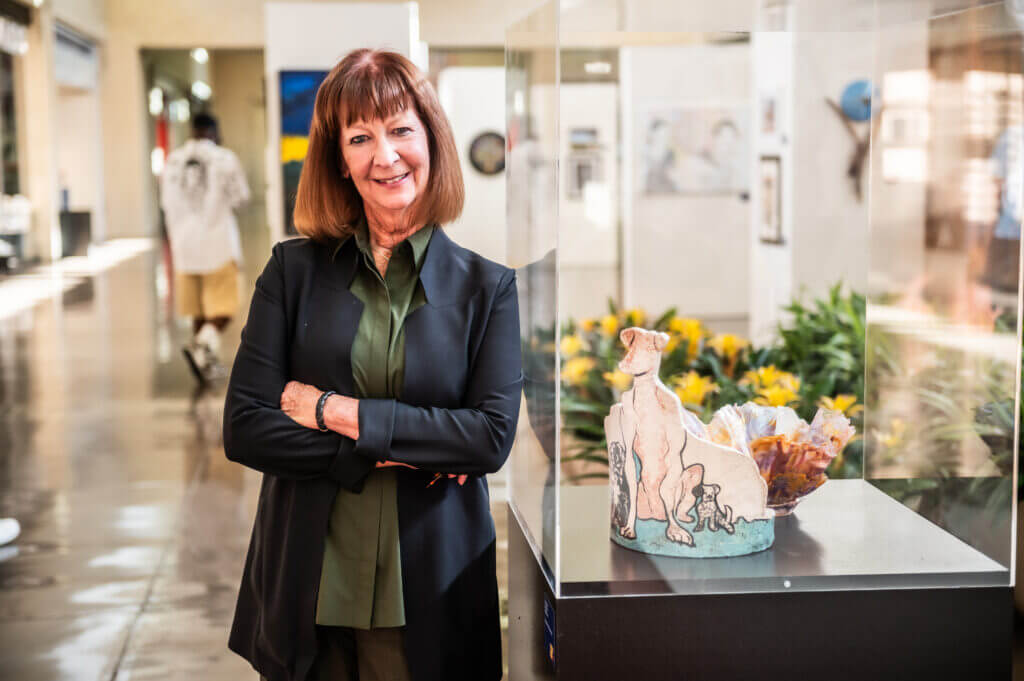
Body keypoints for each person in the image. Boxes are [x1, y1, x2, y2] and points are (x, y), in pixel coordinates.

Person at [223, 49, 522, 681]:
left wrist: (335, 412)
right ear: (339, 159)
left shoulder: (486, 288)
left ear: (432, 140)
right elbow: (245, 424)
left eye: (400, 130)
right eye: (360, 138)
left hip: (431, 588)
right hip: (309, 584)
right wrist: (399, 445)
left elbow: (489, 438)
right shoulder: (292, 272)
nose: (384, 156)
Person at [160, 112, 251, 382]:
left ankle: (203, 361)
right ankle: (202, 345)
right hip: (218, 244)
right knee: (225, 307)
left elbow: (166, 203)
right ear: (213, 131)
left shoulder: (173, 161)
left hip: (184, 247)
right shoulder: (225, 159)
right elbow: (241, 198)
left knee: (198, 310)